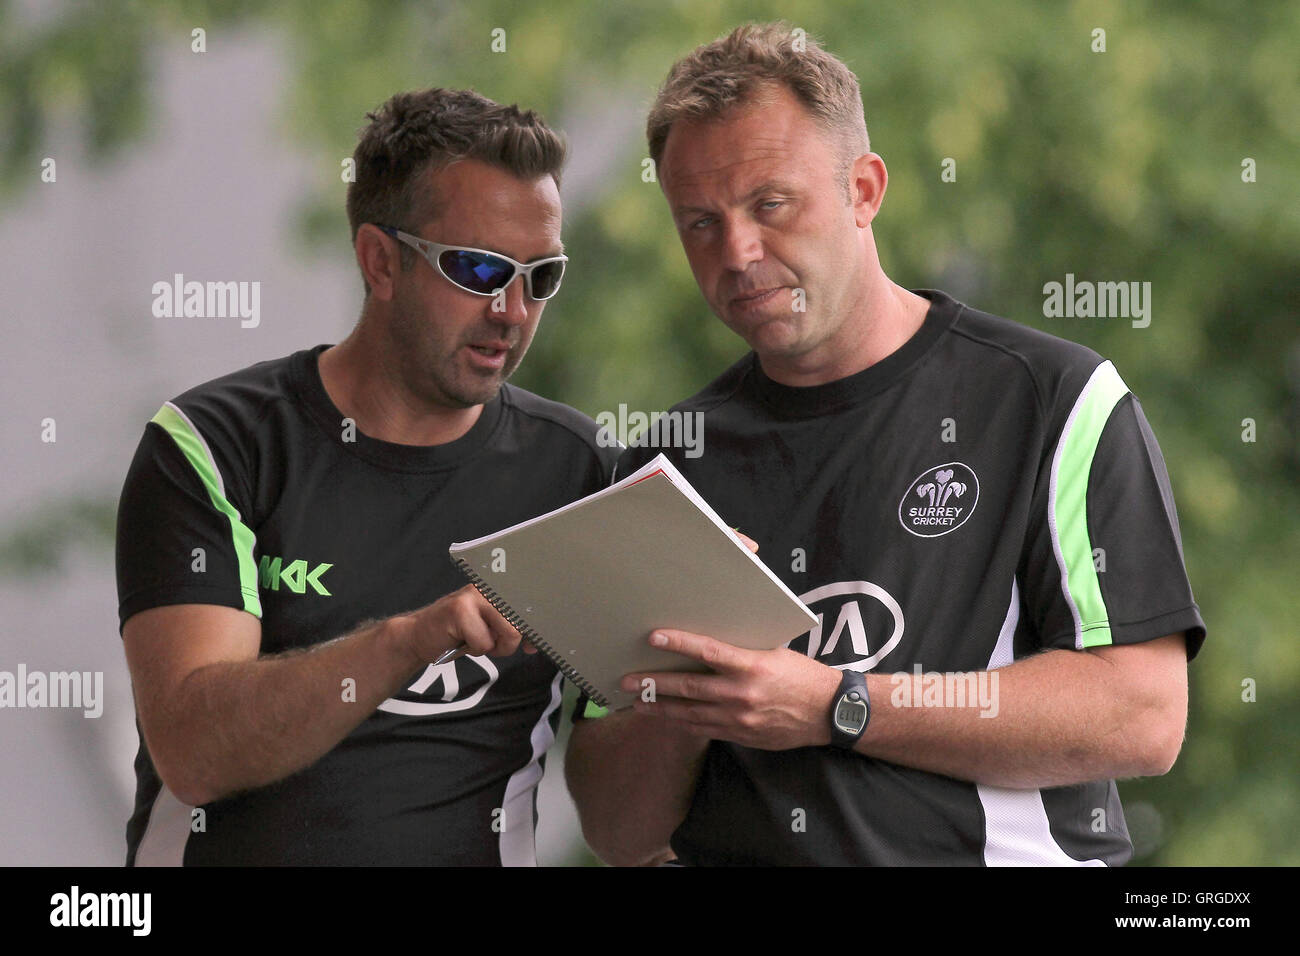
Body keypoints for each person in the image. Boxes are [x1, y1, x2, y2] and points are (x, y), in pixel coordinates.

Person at [565, 23, 1205, 866]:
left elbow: (1143, 715)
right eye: (699, 223)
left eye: (770, 204)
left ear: (864, 191)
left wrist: (839, 703)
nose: (739, 252)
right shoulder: (663, 469)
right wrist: (689, 682)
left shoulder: (1055, 400)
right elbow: (618, 832)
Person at [115, 88, 618, 865]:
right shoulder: (217, 444)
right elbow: (193, 750)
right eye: (480, 269)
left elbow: (637, 802)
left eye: (541, 276)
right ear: (380, 261)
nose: (512, 310)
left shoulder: (581, 470)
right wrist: (406, 642)